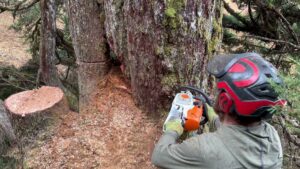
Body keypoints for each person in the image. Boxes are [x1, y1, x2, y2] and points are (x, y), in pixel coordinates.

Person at [151, 53, 286, 169]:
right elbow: (234, 140)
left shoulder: (204, 150)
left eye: (220, 90)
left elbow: (159, 156)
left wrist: (172, 129)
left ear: (224, 101)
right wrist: (212, 116)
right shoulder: (272, 137)